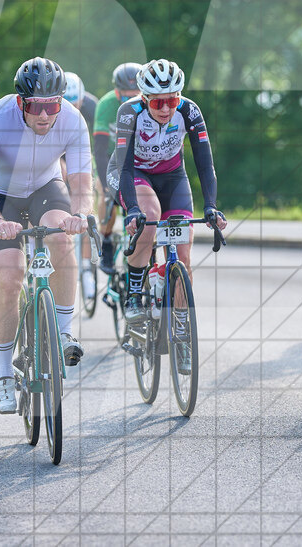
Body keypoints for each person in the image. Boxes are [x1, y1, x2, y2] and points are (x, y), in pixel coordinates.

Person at [0, 57, 92, 414]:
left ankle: (64, 332)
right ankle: (5, 376)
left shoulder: (72, 119)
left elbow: (81, 185)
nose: (44, 115)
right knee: (9, 279)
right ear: (20, 101)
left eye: (51, 106)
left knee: (61, 237)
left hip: (44, 187)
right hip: (1, 195)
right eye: (35, 106)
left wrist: (80, 215)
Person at [105, 58, 228, 371]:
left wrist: (211, 205)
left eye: (171, 101)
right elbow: (125, 166)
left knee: (182, 257)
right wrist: (132, 209)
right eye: (158, 102)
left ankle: (182, 330)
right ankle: (134, 294)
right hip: (132, 173)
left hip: (172, 177)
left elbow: (205, 164)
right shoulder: (129, 112)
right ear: (144, 98)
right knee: (149, 217)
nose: (165, 109)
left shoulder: (189, 111)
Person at [93, 62, 142, 273]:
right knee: (106, 196)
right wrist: (106, 185)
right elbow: (99, 150)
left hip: (138, 161)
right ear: (117, 91)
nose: (129, 101)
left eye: (135, 96)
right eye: (125, 97)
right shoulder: (106, 105)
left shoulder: (150, 103)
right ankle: (106, 240)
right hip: (111, 161)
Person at [63, 71, 100, 302]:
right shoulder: (52, 110)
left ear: (82, 100)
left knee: (88, 203)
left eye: (75, 104)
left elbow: (101, 143)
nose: (71, 110)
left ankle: (86, 266)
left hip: (83, 154)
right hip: (59, 154)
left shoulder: (92, 107)